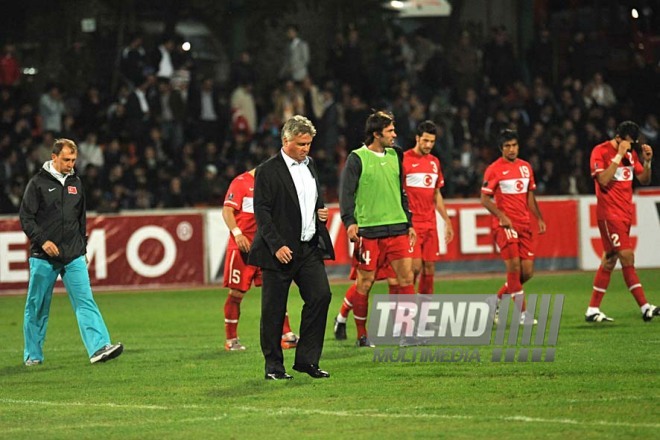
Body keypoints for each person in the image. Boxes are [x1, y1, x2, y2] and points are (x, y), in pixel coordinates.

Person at [19, 138, 123, 366]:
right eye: (66, 160)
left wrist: (82, 247)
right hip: (44, 255)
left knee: (85, 301)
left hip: (73, 254)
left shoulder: (76, 182)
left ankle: (99, 347)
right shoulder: (37, 183)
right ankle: (33, 355)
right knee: (36, 307)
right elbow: (26, 218)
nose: (71, 164)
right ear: (53, 157)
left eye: (74, 160)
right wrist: (42, 240)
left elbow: (80, 218)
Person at [248, 115, 334, 380]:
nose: (305, 149)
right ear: (285, 140)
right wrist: (276, 246)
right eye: (300, 144)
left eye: (308, 144)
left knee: (321, 296)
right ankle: (274, 367)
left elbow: (311, 200)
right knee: (273, 310)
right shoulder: (268, 170)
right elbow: (262, 212)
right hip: (280, 252)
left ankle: (307, 361)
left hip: (308, 247)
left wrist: (321, 213)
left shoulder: (311, 166)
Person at [333, 111, 416, 347]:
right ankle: (362, 335)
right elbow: (346, 194)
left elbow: (401, 191)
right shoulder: (356, 158)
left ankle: (407, 333)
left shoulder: (396, 154)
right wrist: (350, 222)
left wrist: (408, 221)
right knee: (365, 283)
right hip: (369, 230)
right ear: (377, 134)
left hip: (398, 227)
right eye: (390, 131)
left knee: (406, 278)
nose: (395, 134)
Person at [586, 121, 659, 322]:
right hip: (609, 215)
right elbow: (602, 180)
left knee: (610, 260)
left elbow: (644, 180)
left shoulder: (630, 154)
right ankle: (645, 307)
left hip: (626, 214)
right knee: (627, 257)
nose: (629, 147)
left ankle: (592, 309)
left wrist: (646, 162)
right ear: (618, 138)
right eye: (627, 143)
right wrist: (618, 155)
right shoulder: (599, 151)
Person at [221, 168, 299, 351]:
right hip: (242, 247)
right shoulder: (241, 182)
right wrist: (238, 234)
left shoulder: (273, 184)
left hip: (265, 247)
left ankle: (286, 334)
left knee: (275, 290)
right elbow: (227, 211)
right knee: (237, 293)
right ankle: (231, 339)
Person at [480, 129, 546, 324]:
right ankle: (524, 314)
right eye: (507, 146)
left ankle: (495, 301)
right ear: (501, 148)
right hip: (505, 225)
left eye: (514, 145)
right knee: (514, 268)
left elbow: (530, 195)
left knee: (527, 272)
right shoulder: (494, 169)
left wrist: (539, 218)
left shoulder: (526, 167)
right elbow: (484, 198)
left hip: (524, 225)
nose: (511, 149)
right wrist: (501, 216)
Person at [402, 120, 454, 293]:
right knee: (414, 268)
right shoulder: (405, 160)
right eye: (425, 140)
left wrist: (446, 220)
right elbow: (397, 192)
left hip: (430, 223)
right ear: (417, 138)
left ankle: (424, 315)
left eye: (432, 141)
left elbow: (436, 193)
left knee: (430, 268)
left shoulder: (434, 163)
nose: (428, 145)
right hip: (413, 224)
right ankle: (407, 309)